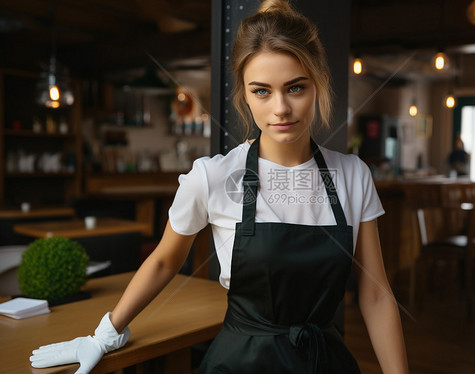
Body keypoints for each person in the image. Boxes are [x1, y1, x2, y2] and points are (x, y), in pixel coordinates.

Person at [29, 1, 409, 373]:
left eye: (295, 88)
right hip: (241, 362)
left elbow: (375, 294)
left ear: (320, 84)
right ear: (244, 93)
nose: (280, 108)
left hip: (324, 361)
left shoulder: (353, 175)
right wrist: (104, 335)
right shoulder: (211, 177)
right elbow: (164, 259)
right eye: (261, 91)